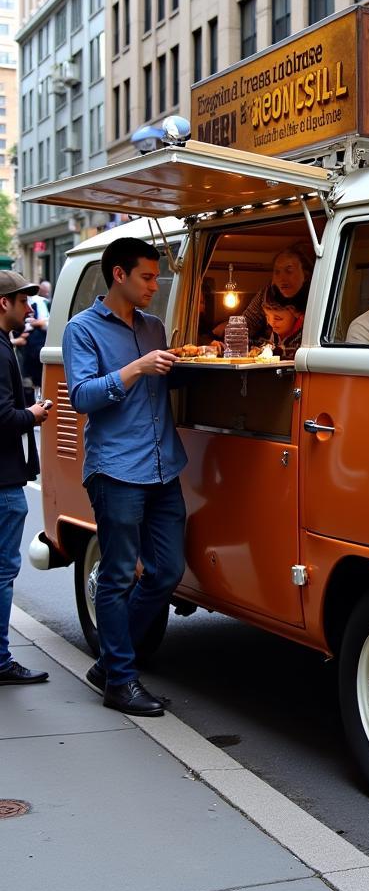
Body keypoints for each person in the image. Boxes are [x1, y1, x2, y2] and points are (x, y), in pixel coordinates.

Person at [63, 237, 188, 715]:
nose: (155, 286)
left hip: (163, 466)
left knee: (168, 572)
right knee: (116, 577)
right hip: (116, 469)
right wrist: (135, 368)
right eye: (148, 277)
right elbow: (82, 397)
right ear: (119, 274)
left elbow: (165, 379)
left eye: (156, 277)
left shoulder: (154, 326)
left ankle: (113, 663)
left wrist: (198, 358)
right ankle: (120, 681)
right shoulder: (82, 329)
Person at [0, 272, 51, 686]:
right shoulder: (0, 352)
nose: (29, 308)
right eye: (23, 300)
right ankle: (0, 660)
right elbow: (2, 418)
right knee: (3, 571)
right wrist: (33, 415)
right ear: (4, 303)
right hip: (2, 482)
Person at [216, 245, 313, 344]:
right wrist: (229, 339)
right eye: (277, 272)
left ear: (306, 274)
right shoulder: (266, 294)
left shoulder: (316, 299)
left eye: (289, 270)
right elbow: (248, 321)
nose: (281, 278)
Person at [253, 294, 304, 359]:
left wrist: (275, 351)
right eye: (267, 317)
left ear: (296, 316)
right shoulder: (276, 331)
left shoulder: (303, 334)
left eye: (278, 318)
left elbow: (296, 352)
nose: (271, 323)